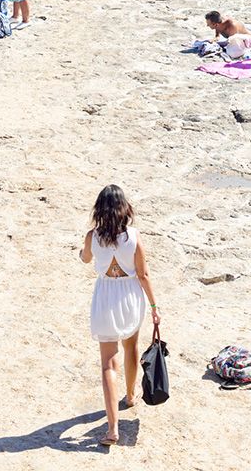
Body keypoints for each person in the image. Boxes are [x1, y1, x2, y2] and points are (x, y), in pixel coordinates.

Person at [80, 185, 160, 448]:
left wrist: (83, 252)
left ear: (99, 210)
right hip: (129, 297)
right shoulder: (134, 237)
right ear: (124, 209)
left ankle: (112, 428)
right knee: (131, 346)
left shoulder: (92, 236)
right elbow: (144, 274)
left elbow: (85, 258)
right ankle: (129, 395)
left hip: (105, 298)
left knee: (107, 365)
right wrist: (154, 307)